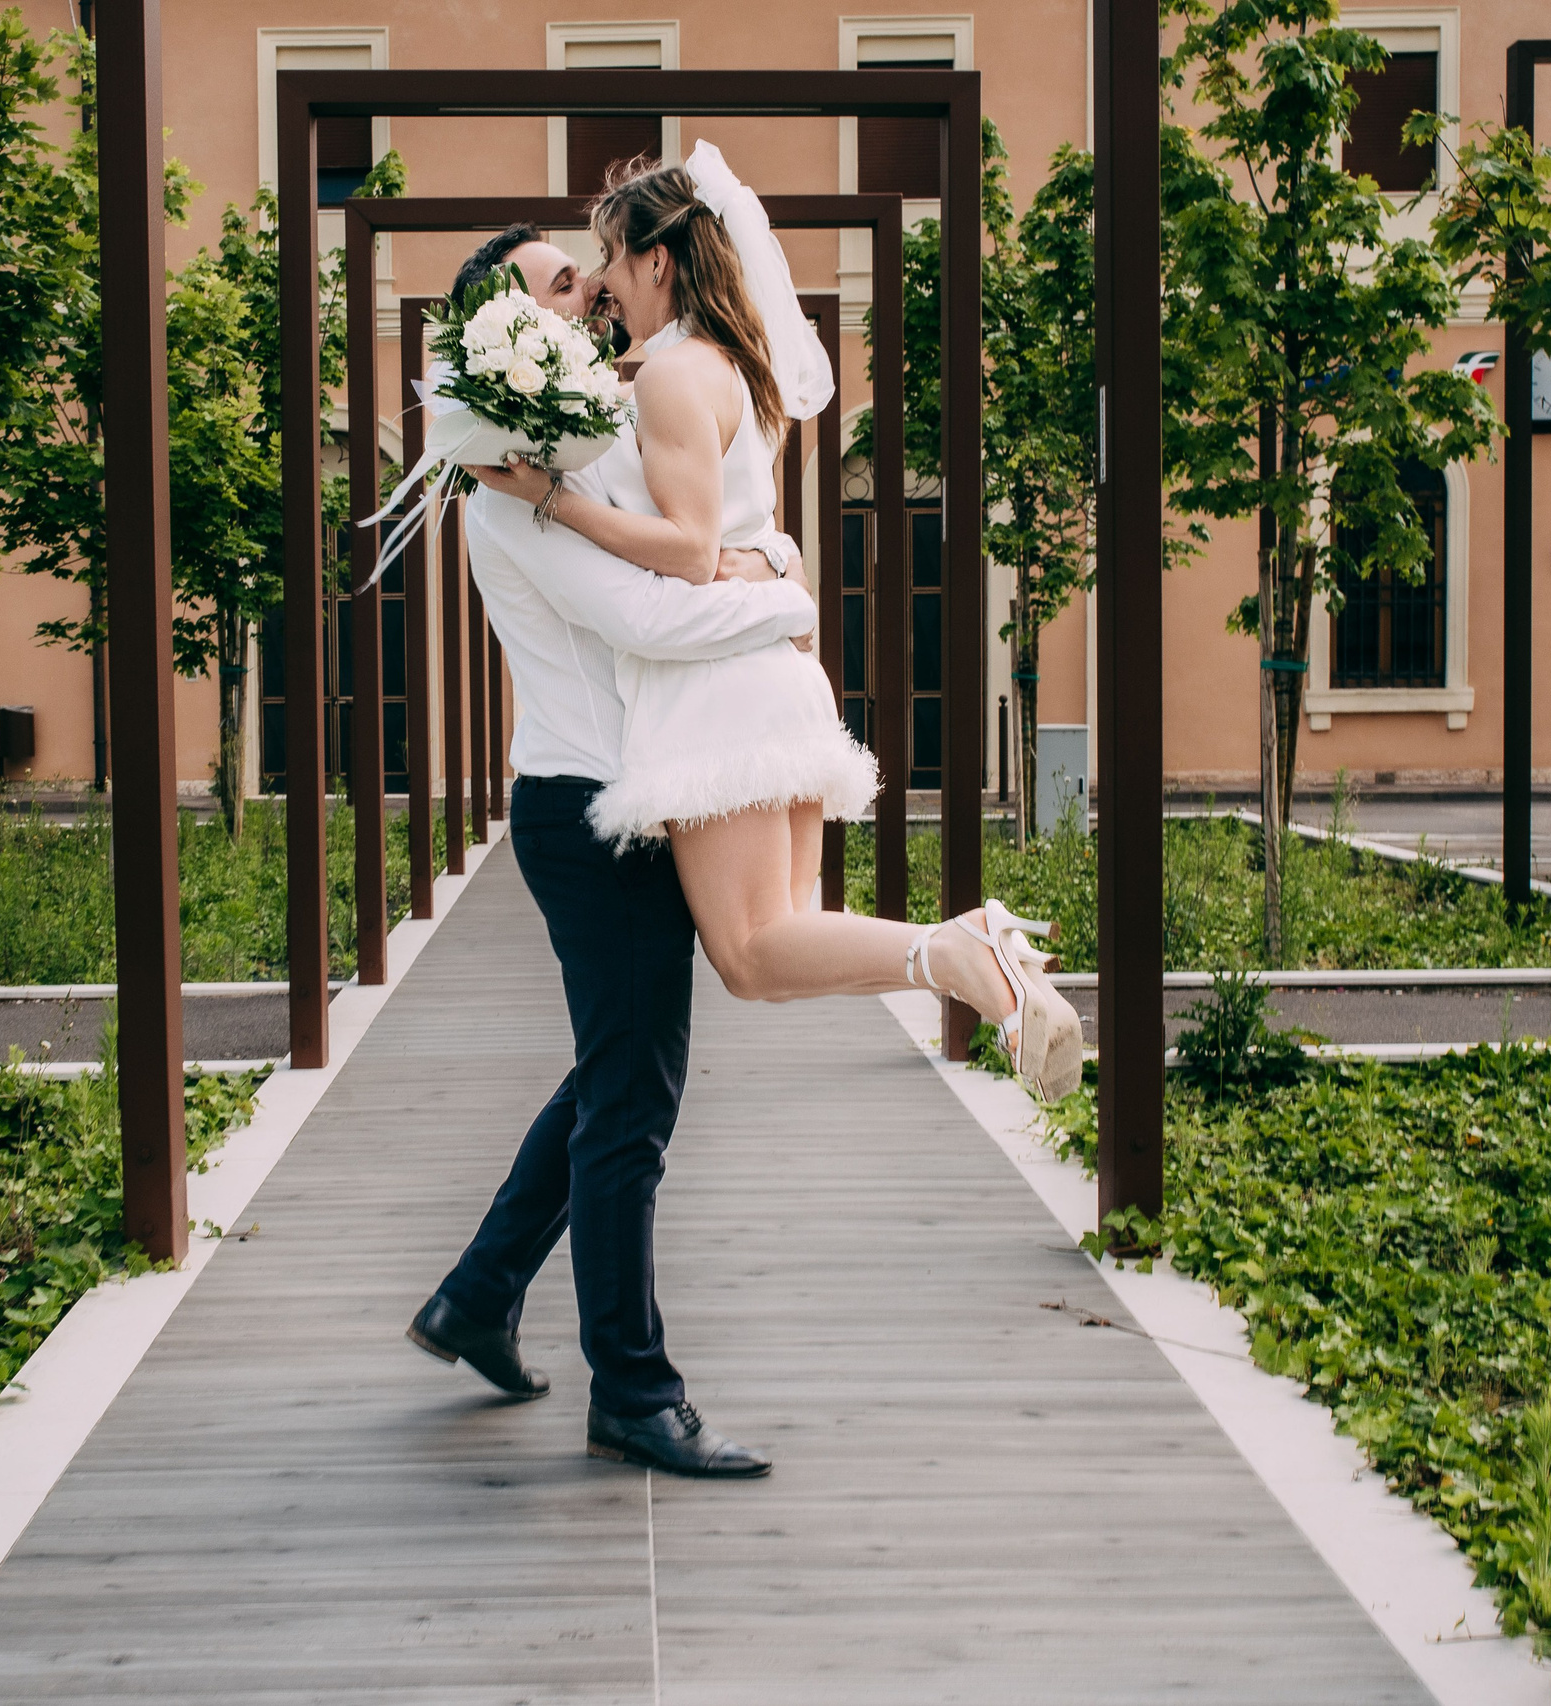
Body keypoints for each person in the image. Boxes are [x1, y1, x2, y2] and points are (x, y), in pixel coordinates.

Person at [470, 147, 1082, 1096]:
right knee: (783, 941)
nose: (604, 286)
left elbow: (685, 548)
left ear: (658, 261)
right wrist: (781, 570)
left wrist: (555, 498)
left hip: (719, 693)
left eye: (613, 261)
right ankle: (956, 956)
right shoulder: (728, 368)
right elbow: (749, 538)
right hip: (777, 683)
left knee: (753, 955)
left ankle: (956, 948)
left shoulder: (669, 378)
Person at [404, 221, 808, 1478]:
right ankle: (633, 1390)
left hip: (626, 796)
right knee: (631, 1102)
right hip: (586, 814)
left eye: (586, 271)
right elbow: (657, 616)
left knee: (608, 1078)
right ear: (506, 337)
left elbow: (693, 545)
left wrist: (757, 550)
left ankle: (478, 1294)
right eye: (557, 282)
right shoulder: (510, 493)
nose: (590, 286)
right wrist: (786, 594)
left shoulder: (580, 450)